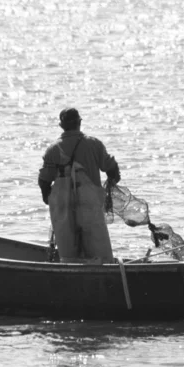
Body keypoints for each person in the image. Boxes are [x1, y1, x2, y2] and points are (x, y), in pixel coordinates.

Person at [38, 108, 121, 264]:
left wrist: (49, 198)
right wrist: (112, 183)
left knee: (68, 252)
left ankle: (71, 273)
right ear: (79, 123)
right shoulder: (93, 144)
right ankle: (103, 274)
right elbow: (112, 169)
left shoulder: (53, 150)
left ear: (61, 125)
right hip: (90, 206)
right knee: (99, 252)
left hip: (63, 207)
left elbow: (44, 181)